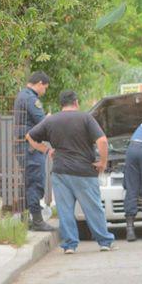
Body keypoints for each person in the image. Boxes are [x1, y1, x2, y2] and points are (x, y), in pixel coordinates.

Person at [25, 90, 115, 254]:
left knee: (65, 209)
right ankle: (104, 241)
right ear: (76, 102)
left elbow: (30, 136)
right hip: (84, 172)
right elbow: (102, 141)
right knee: (93, 208)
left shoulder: (51, 120)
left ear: (61, 104)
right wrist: (102, 162)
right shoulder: (85, 118)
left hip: (60, 172)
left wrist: (46, 150)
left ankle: (70, 245)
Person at [13, 71, 54, 231]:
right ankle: (37, 221)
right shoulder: (31, 98)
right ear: (39, 83)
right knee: (35, 182)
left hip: (23, 145)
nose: (44, 91)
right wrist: (49, 118)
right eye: (45, 88)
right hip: (30, 147)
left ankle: (25, 220)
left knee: (27, 182)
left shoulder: (21, 95)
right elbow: (42, 123)